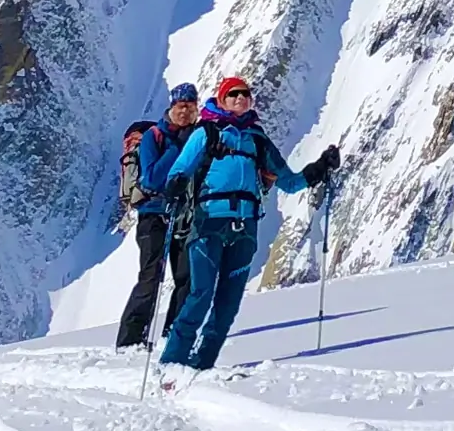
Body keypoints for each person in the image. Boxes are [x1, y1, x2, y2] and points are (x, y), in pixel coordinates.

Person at [158, 76, 338, 378]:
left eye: (245, 94)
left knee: (228, 303)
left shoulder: (257, 140)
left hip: (245, 228)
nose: (240, 98)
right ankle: (172, 362)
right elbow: (181, 168)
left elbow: (290, 182)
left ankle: (202, 364)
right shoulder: (207, 132)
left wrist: (321, 167)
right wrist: (175, 184)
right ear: (223, 98)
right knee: (200, 294)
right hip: (208, 223)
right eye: (233, 94)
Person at [114, 84, 202, 348]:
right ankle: (130, 340)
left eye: (190, 106)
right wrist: (181, 151)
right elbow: (151, 177)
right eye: (180, 106)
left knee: (187, 277)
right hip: (153, 214)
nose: (184, 111)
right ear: (171, 107)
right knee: (151, 277)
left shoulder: (197, 137)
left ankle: (173, 335)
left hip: (184, 215)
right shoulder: (154, 137)